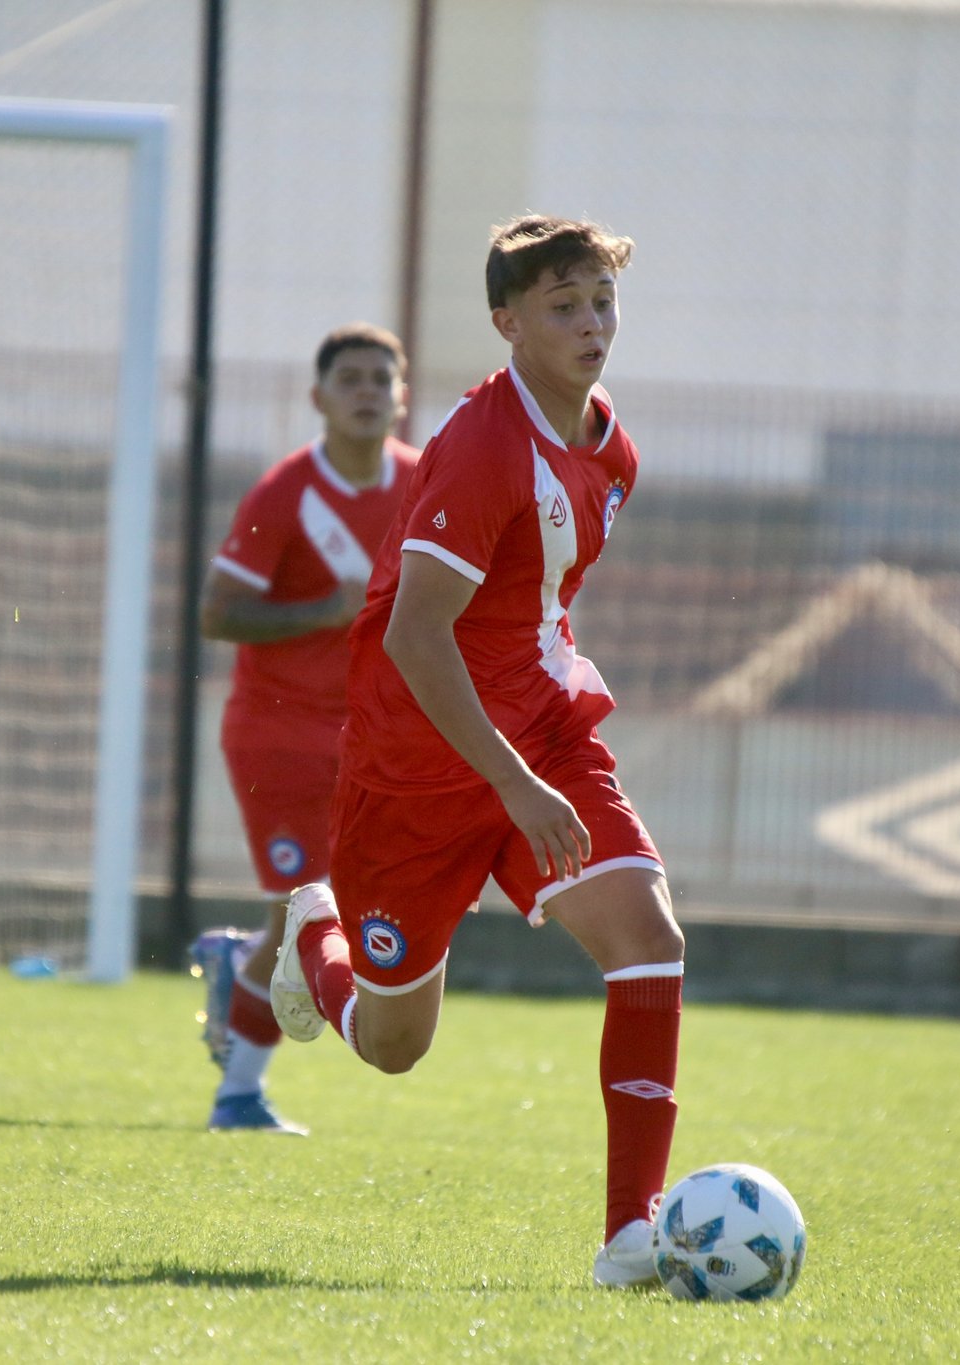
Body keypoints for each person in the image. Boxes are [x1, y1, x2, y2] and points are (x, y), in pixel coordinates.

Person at [267, 216, 685, 1288]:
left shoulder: (610, 448)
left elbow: (533, 611)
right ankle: (319, 935)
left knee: (647, 939)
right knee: (393, 1045)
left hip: (542, 737)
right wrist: (510, 778)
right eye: (562, 306)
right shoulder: (484, 447)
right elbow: (415, 634)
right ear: (506, 323)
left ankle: (629, 1235)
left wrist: (537, 760)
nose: (591, 323)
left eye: (601, 300)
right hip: (417, 770)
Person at [189, 325, 419, 1134]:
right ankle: (238, 1096)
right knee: (298, 914)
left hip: (378, 743)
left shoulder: (427, 484)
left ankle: (235, 970)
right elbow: (217, 612)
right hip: (278, 735)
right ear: (318, 398)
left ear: (402, 395)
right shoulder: (284, 493)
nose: (366, 391)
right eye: (348, 378)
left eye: (380, 378)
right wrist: (325, 608)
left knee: (348, 914)